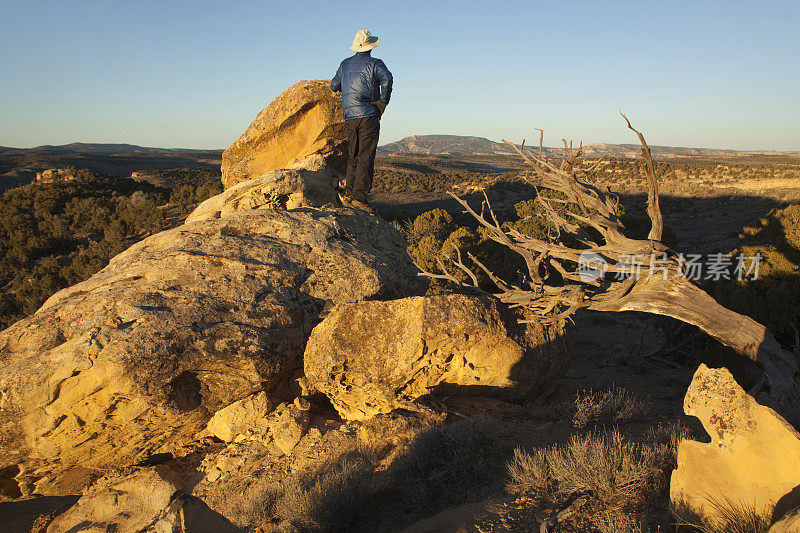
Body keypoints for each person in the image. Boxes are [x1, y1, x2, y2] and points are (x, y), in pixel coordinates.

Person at [330, 30, 393, 212]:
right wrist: (382, 102)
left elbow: (334, 85)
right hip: (368, 114)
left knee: (353, 155)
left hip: (350, 116)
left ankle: (349, 192)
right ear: (370, 46)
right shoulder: (375, 64)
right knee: (366, 156)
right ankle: (359, 197)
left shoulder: (345, 64)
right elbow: (387, 79)